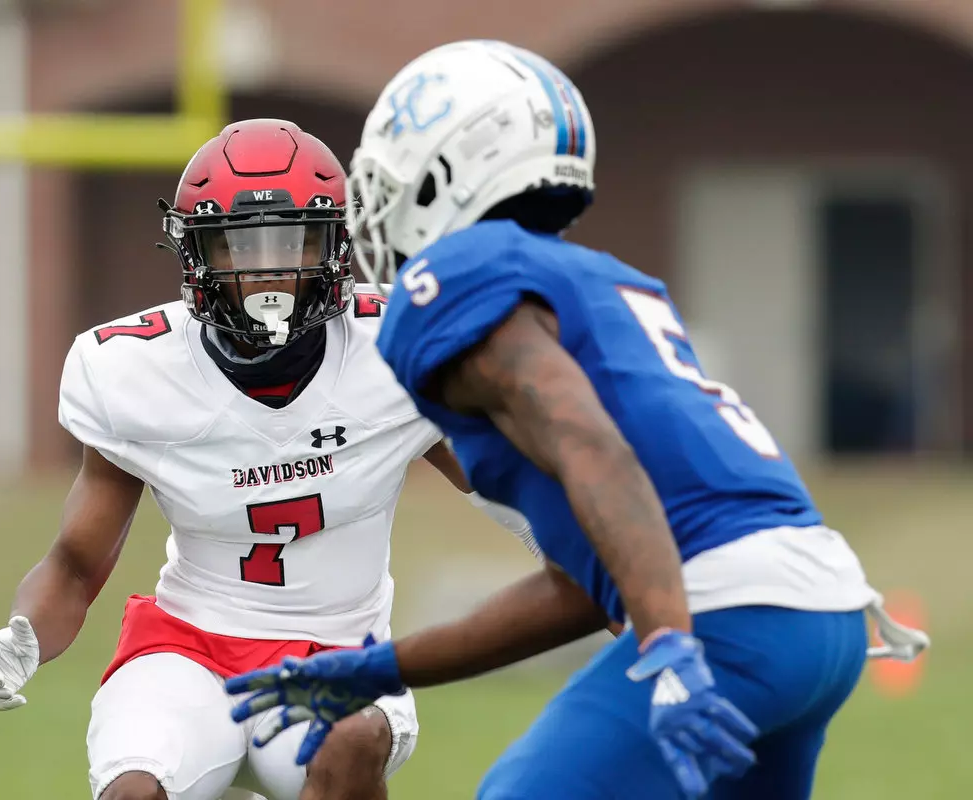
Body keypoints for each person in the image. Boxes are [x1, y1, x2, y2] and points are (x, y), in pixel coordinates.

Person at [223, 44, 931, 799]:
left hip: (722, 610)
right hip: (818, 616)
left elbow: (591, 443)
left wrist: (667, 641)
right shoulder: (609, 281)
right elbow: (587, 585)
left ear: (446, 170)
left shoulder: (455, 279)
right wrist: (385, 667)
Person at [0, 118, 541, 800]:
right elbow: (77, 560)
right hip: (189, 648)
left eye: (292, 241)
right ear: (198, 254)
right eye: (242, 245)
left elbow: (513, 490)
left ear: (335, 245)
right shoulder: (134, 371)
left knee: (352, 737)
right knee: (135, 792)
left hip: (338, 652)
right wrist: (25, 633)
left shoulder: (397, 346)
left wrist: (606, 566)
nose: (270, 269)